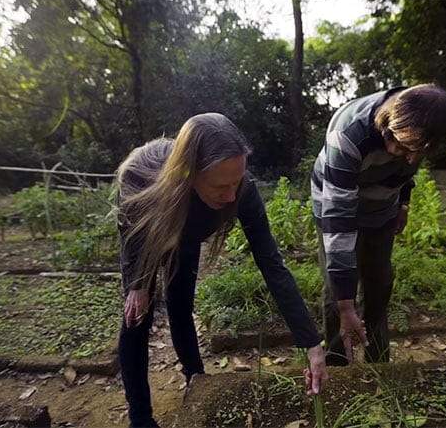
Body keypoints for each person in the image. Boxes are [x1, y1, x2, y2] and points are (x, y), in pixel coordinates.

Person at [115, 113, 327, 428]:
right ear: (188, 174)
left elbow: (271, 263)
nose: (231, 196)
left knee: (181, 305)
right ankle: (140, 417)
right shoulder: (141, 177)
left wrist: (310, 341)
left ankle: (196, 380)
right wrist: (137, 284)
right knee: (136, 319)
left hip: (187, 234)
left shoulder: (242, 190)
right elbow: (130, 232)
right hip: (149, 230)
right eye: (220, 186)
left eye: (236, 182)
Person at [310, 84, 446, 365]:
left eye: (416, 152)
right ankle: (338, 364)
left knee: (380, 283)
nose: (407, 157)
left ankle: (378, 361)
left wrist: (403, 203)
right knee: (337, 289)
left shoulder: (420, 129)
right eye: (400, 147)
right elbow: (339, 223)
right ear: (386, 125)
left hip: (382, 209)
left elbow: (407, 172)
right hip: (336, 206)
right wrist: (347, 304)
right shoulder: (348, 133)